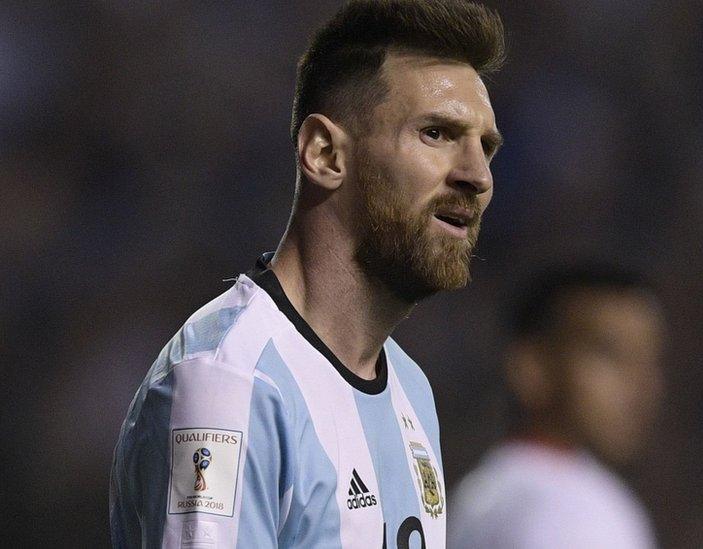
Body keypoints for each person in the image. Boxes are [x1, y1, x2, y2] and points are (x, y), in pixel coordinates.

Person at [109, 1, 505, 547]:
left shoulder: (412, 392)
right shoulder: (231, 384)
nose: (477, 177)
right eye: (436, 133)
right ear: (324, 154)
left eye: (486, 147)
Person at [449, 265, 666, 548]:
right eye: (610, 354)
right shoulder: (574, 510)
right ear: (532, 365)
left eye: (649, 359)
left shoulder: (473, 499)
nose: (641, 384)